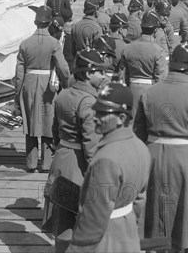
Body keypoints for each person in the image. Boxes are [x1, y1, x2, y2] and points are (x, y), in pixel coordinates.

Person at [134, 43, 188, 253]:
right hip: (183, 162)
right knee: (182, 217)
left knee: (153, 215)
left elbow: (137, 134)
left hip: (152, 159)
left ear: (170, 65)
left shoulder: (149, 93)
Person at [66, 82, 151, 253]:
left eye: (104, 113)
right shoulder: (141, 148)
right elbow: (140, 202)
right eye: (97, 110)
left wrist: (75, 250)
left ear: (122, 118)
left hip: (105, 241)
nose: (95, 116)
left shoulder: (105, 160)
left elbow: (93, 218)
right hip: (128, 235)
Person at [43, 49, 106, 244]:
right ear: (88, 74)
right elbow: (91, 145)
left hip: (62, 157)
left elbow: (54, 129)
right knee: (81, 221)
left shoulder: (64, 94)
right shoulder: (88, 102)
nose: (103, 75)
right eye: (99, 71)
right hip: (79, 166)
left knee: (63, 220)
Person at [15, 5, 70, 172]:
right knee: (47, 123)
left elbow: (18, 75)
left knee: (31, 123)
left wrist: (17, 96)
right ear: (49, 23)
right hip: (48, 86)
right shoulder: (54, 43)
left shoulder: (25, 44)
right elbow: (63, 68)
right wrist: (66, 85)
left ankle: (31, 164)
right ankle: (46, 164)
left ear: (35, 22)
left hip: (29, 84)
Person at [121, 10, 168, 113]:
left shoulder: (128, 48)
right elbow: (161, 78)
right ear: (155, 29)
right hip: (151, 92)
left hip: (131, 92)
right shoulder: (158, 51)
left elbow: (123, 75)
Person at [71, 0, 103, 64]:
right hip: (92, 64)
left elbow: (72, 50)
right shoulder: (97, 28)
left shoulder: (75, 26)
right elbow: (99, 50)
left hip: (78, 62)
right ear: (96, 10)